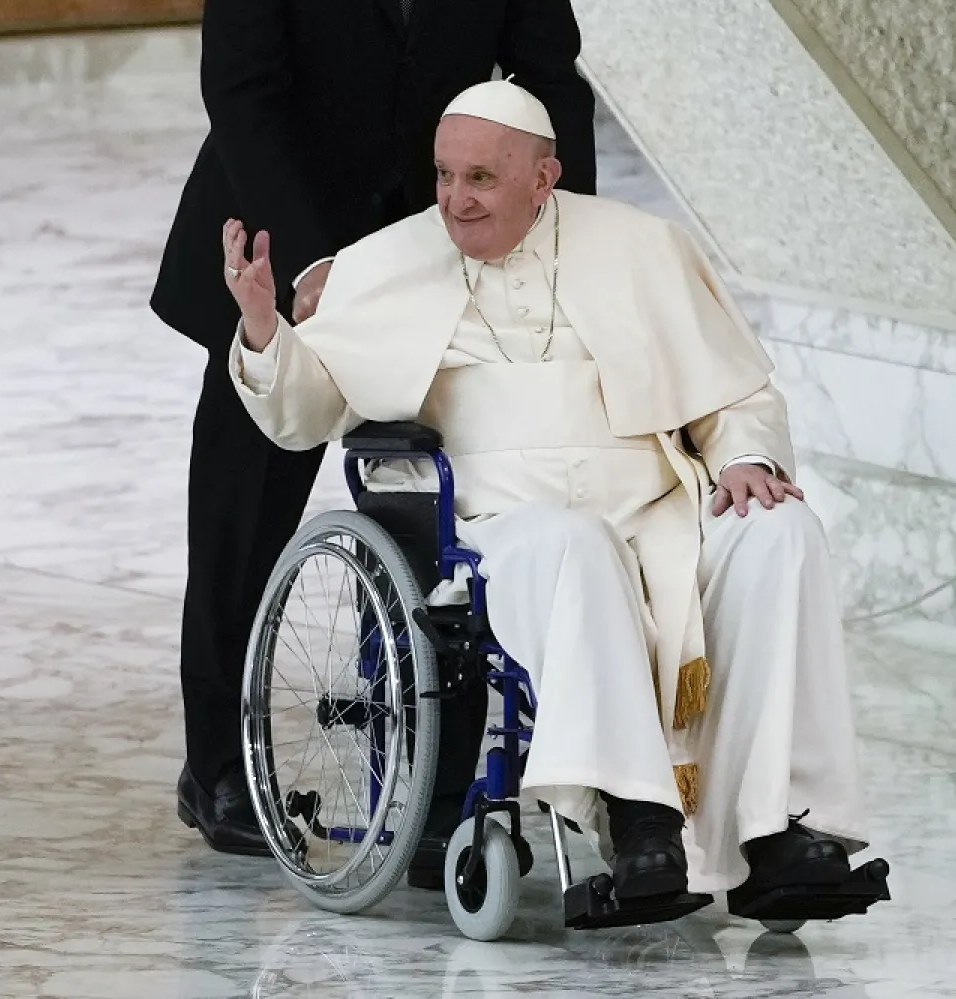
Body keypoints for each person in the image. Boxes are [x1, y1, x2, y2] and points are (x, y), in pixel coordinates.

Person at [219, 79, 871, 908]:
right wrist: (265, 329)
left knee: (782, 530)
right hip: (504, 528)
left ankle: (778, 828)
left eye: (481, 178)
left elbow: (737, 394)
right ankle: (639, 822)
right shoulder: (384, 265)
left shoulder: (640, 247)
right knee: (576, 543)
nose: (455, 199)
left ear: (544, 177)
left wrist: (748, 458)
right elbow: (306, 412)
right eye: (444, 175)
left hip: (663, 509)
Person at [153, 0, 598, 874]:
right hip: (276, 241)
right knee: (243, 524)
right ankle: (217, 767)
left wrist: (568, 239)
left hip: (437, 248)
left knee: (432, 516)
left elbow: (550, 78)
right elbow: (242, 89)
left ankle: (429, 783)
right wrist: (314, 260)